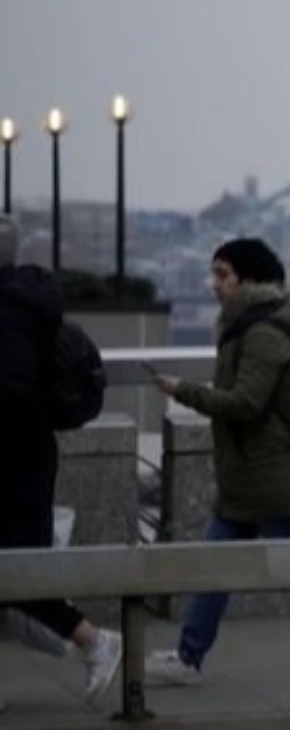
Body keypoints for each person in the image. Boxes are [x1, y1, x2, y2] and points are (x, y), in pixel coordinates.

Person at [146, 238, 290, 686]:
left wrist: (183, 391)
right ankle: (189, 658)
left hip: (270, 477)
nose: (214, 284)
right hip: (244, 476)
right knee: (216, 571)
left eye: (222, 275)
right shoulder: (243, 325)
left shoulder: (264, 332)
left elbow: (247, 403)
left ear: (249, 279)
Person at [0, 213, 124, 708]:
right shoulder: (22, 306)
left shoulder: (9, 313)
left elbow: (10, 393)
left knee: (19, 571)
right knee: (15, 570)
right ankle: (94, 640)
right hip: (23, 456)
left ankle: (96, 640)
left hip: (12, 460)